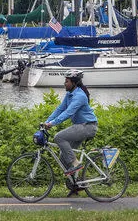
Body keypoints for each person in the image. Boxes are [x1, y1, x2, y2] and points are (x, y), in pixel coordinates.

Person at [41, 69, 98, 197]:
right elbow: (60, 109)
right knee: (63, 156)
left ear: (74, 83)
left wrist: (53, 124)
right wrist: (47, 121)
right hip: (80, 126)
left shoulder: (80, 96)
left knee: (59, 137)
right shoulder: (70, 94)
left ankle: (76, 163)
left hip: (88, 126)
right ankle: (75, 186)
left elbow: (68, 113)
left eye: (66, 81)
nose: (64, 83)